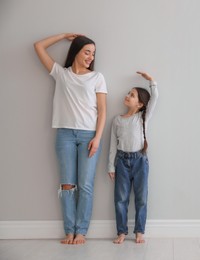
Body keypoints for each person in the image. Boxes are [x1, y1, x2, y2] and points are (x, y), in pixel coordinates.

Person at [33, 33, 107, 245]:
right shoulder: (60, 74)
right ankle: (69, 231)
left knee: (85, 185)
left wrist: (97, 138)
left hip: (89, 135)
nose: (90, 57)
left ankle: (81, 231)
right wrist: (64, 35)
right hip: (64, 134)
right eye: (87, 52)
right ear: (76, 51)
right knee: (67, 185)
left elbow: (102, 111)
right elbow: (38, 46)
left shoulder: (97, 77)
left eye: (93, 53)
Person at [108, 72, 158, 244]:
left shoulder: (142, 118)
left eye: (132, 95)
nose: (127, 96)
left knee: (141, 198)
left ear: (140, 104)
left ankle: (139, 231)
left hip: (140, 161)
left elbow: (154, 99)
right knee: (120, 199)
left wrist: (151, 81)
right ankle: (121, 232)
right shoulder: (117, 120)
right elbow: (112, 145)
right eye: (128, 93)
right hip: (121, 162)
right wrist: (111, 166)